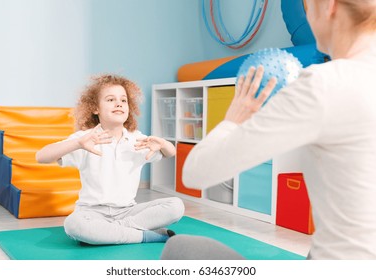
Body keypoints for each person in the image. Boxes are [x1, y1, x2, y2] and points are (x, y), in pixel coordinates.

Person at [161, 0, 376, 260]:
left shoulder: (323, 83)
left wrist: (234, 118)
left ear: (328, 5)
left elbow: (195, 172)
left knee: (183, 248)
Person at [36, 74, 184, 245]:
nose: (119, 103)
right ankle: (144, 235)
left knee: (176, 206)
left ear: (129, 108)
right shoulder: (85, 139)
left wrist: (163, 143)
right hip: (92, 213)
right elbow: (41, 157)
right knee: (73, 225)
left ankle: (114, 231)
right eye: (110, 99)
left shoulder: (137, 140)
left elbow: (171, 153)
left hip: (128, 212)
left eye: (123, 100)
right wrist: (77, 144)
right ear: (95, 108)